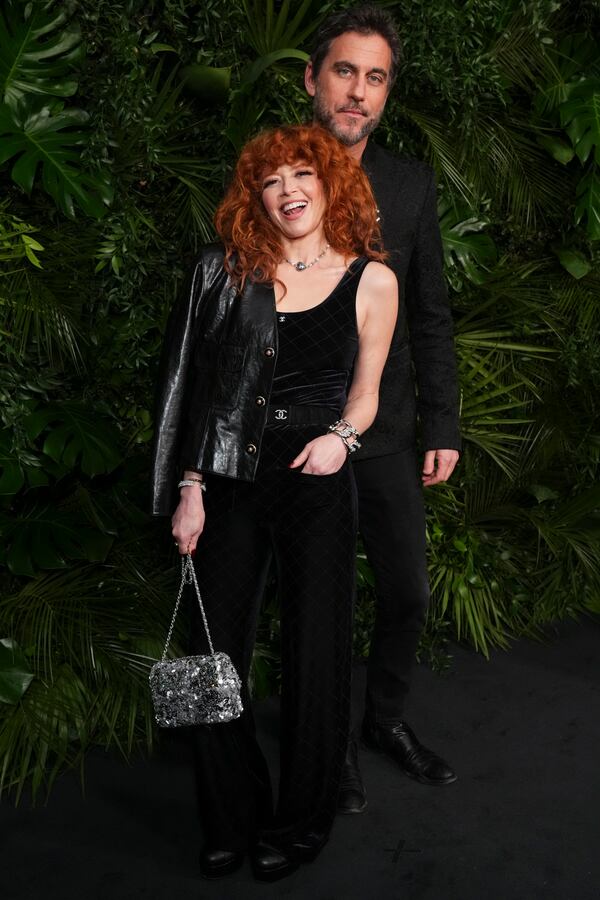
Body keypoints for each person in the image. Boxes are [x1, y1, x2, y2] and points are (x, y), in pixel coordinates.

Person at [151, 123, 397, 881]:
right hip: (230, 477)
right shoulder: (226, 271)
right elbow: (197, 391)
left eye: (303, 174)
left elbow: (366, 398)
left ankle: (302, 819)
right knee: (214, 652)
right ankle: (230, 814)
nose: (288, 189)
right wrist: (189, 488)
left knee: (316, 656)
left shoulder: (371, 280)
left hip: (317, 478)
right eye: (271, 180)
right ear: (254, 196)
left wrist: (341, 442)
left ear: (331, 185)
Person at [303, 5, 461, 813]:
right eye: (344, 71)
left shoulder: (408, 183)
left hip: (391, 431)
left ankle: (384, 721)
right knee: (319, 608)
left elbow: (430, 311)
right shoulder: (275, 173)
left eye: (375, 77)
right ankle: (329, 751)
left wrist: (444, 425)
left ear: (387, 93)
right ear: (313, 79)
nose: (358, 91)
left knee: (407, 595)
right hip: (300, 439)